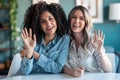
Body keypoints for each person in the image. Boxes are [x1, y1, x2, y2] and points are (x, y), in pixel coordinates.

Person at [8, 1, 70, 76]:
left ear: (57, 19)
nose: (48, 24)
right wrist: (29, 52)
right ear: (39, 25)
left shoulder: (64, 39)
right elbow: (25, 71)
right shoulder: (32, 39)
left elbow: (58, 68)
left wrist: (34, 54)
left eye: (50, 19)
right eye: (43, 21)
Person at [63, 5, 112, 77]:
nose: (76, 21)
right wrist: (72, 72)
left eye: (81, 18)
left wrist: (99, 51)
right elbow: (63, 65)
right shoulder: (66, 40)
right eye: (74, 17)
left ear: (86, 22)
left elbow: (108, 69)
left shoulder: (93, 40)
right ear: (70, 19)